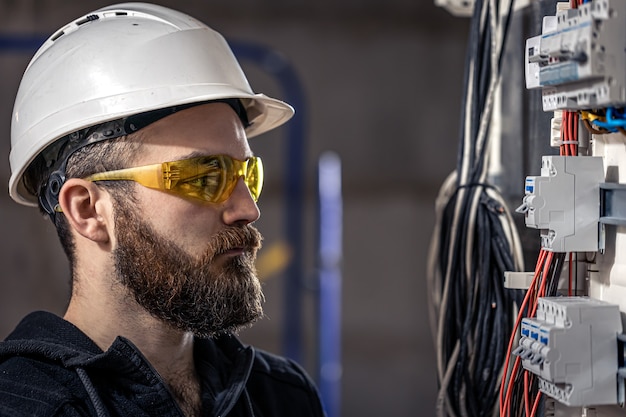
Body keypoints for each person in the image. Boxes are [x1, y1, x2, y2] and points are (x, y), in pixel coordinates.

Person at [1, 3, 325, 416]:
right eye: (204, 176)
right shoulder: (22, 405)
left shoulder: (281, 397)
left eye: (248, 174)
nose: (247, 209)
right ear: (88, 210)